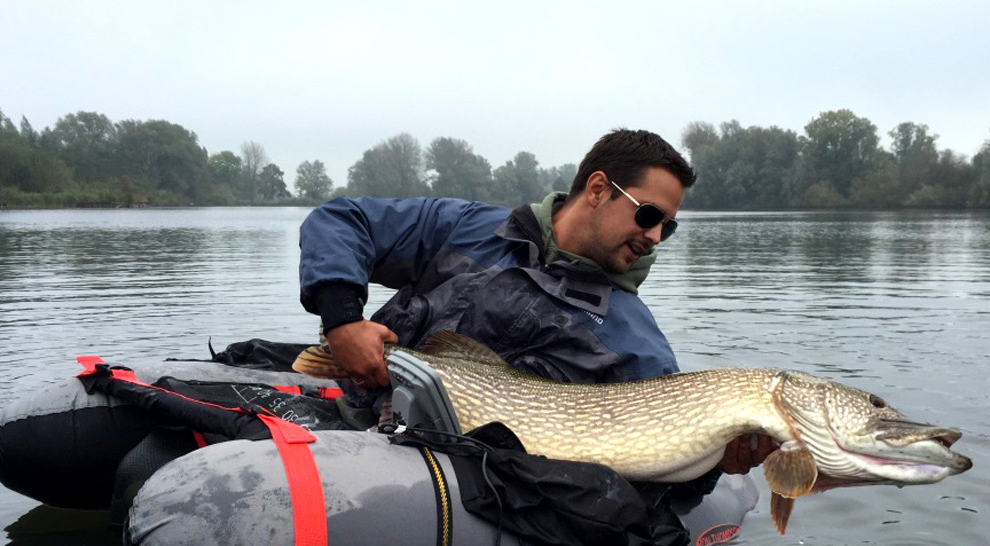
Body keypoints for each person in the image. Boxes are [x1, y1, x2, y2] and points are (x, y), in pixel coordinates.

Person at [298, 128, 772, 474]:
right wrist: (342, 321)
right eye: (648, 214)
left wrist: (713, 462)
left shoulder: (635, 343)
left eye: (666, 226)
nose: (655, 235)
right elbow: (342, 220)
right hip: (353, 404)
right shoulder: (467, 226)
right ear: (598, 189)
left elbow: (660, 474)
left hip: (443, 478)